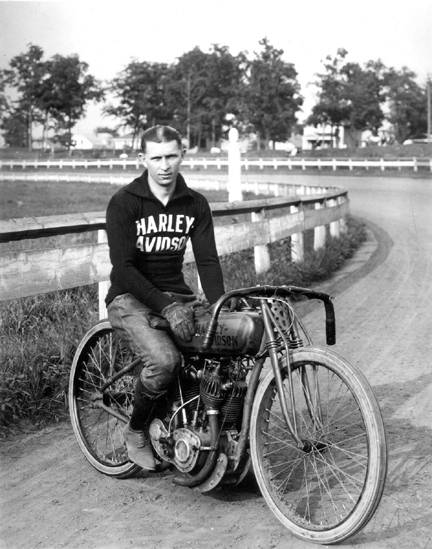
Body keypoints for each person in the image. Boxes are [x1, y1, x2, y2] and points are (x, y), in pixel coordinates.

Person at [105, 125, 225, 471]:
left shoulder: (195, 204)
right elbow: (123, 268)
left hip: (179, 295)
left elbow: (207, 261)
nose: (164, 165)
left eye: (171, 155)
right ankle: (136, 430)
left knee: (228, 346)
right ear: (142, 159)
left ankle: (210, 430)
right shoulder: (124, 203)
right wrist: (167, 307)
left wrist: (218, 306)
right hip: (130, 297)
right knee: (165, 360)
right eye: (156, 157)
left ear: (182, 154)